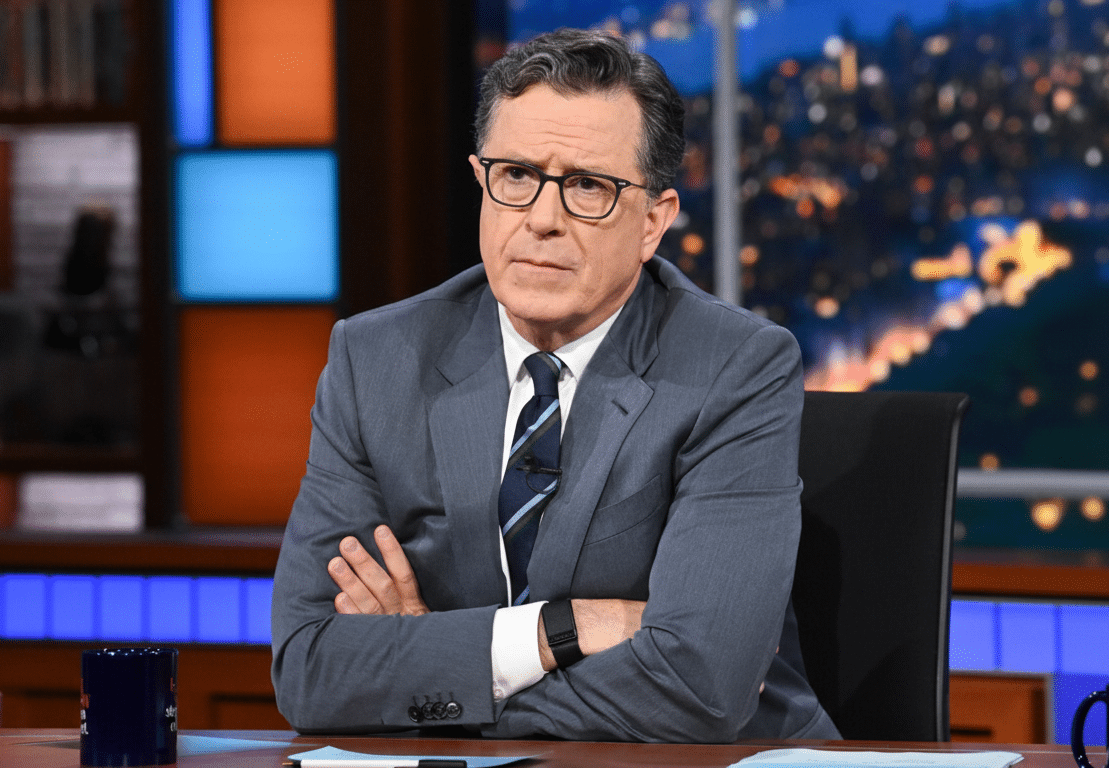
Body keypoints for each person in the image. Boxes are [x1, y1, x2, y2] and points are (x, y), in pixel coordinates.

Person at [270, 28, 839, 742]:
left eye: (588, 187)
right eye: (516, 176)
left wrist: (438, 682)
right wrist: (564, 628)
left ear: (653, 223)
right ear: (482, 180)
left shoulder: (734, 367)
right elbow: (311, 672)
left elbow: (701, 687)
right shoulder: (376, 360)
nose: (541, 219)